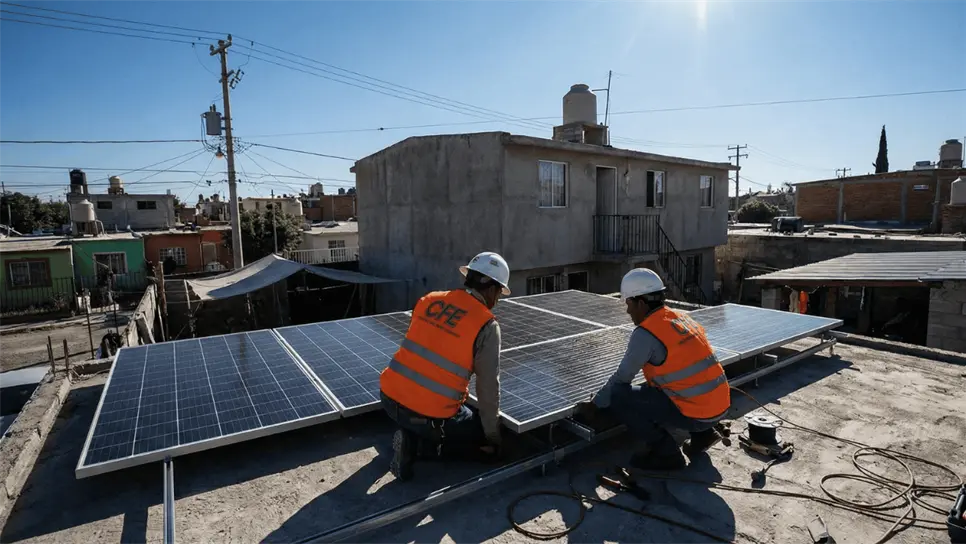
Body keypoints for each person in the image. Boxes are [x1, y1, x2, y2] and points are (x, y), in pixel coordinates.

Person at [578, 268, 731, 471]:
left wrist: (595, 405)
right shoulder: (681, 318)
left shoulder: (647, 333)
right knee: (668, 385)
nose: (627, 311)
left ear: (641, 303)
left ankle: (667, 453)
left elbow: (622, 378)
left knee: (619, 396)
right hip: (720, 407)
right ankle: (704, 435)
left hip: (696, 414)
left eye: (629, 304)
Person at [379, 251, 510, 481]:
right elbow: (488, 389)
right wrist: (493, 435)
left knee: (424, 411)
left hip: (389, 400)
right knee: (480, 437)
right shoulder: (486, 324)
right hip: (429, 416)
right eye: (500, 292)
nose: (498, 300)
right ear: (491, 289)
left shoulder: (429, 300)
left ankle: (410, 432)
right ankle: (417, 448)